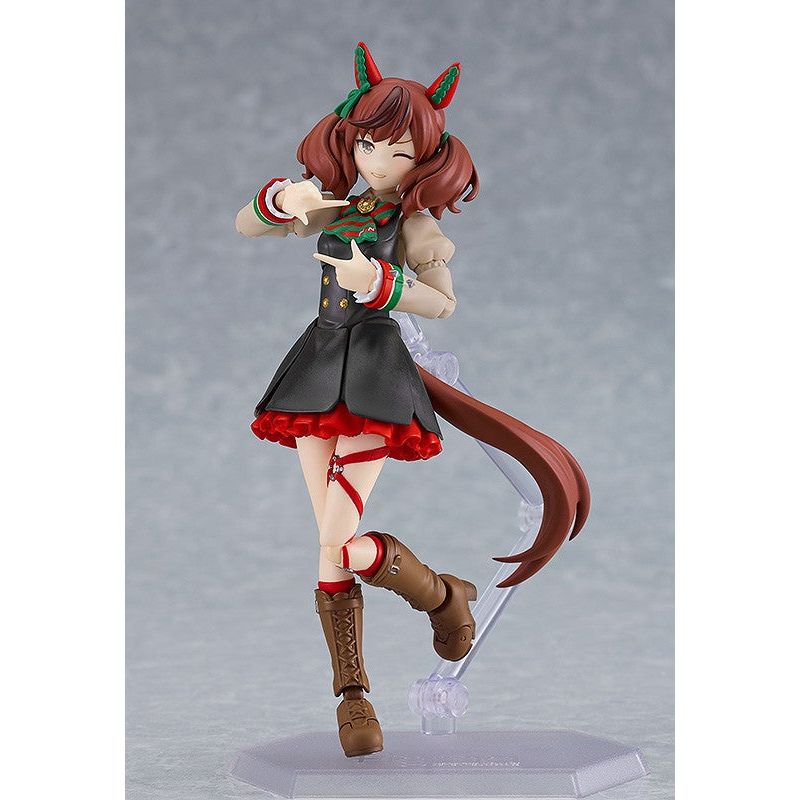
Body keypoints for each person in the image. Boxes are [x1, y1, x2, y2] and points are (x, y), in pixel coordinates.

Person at [236, 42, 589, 758]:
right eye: (368, 145)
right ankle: (425, 611)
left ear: (424, 159)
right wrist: (284, 199)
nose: (378, 162)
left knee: (337, 539)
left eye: (397, 152)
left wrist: (381, 285)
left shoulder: (414, 225)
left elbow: (443, 302)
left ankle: (372, 676)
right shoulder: (337, 204)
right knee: (331, 540)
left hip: (373, 371)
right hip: (317, 366)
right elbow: (247, 223)